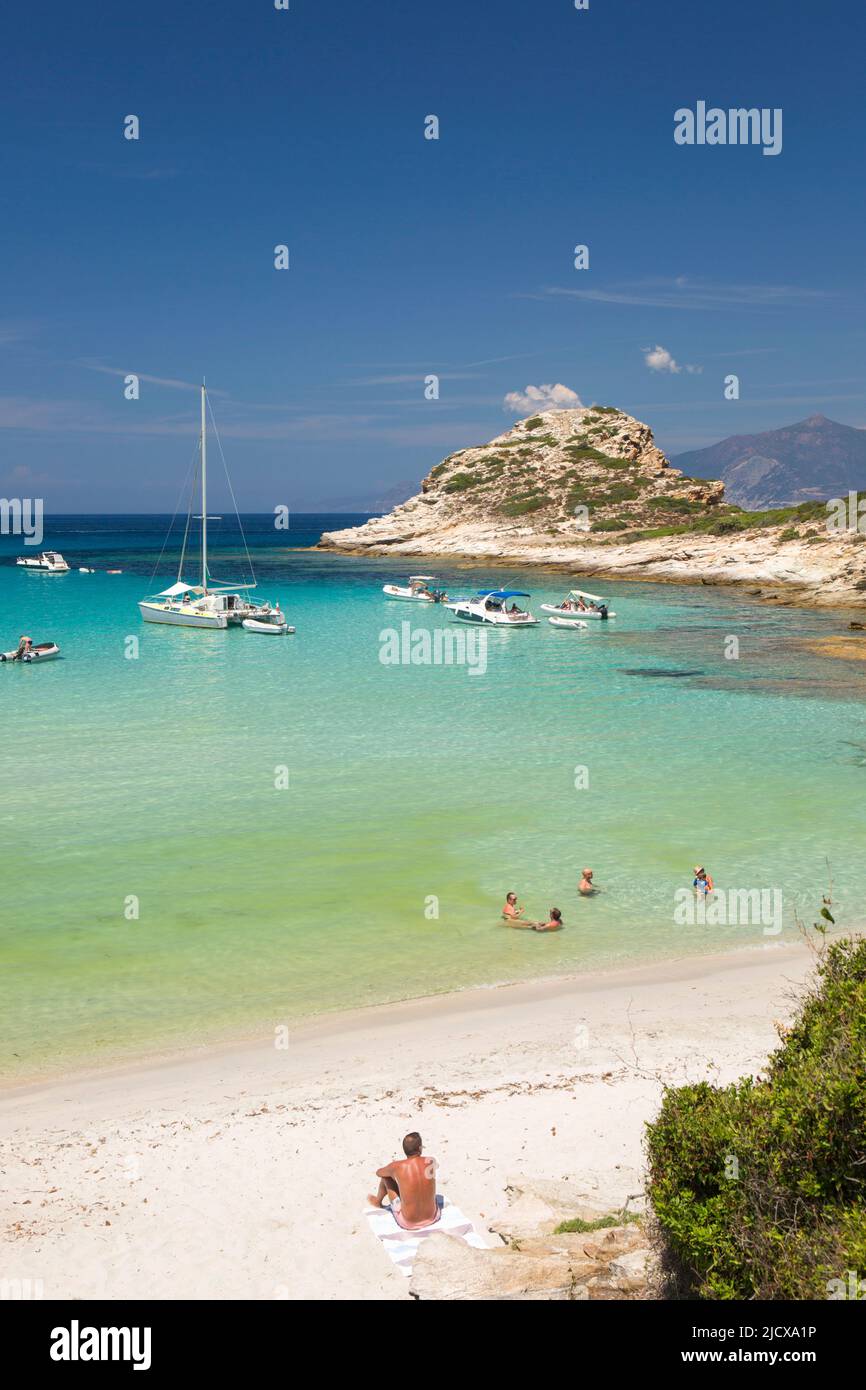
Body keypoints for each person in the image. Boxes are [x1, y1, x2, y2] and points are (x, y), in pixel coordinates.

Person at [368, 1132, 442, 1230]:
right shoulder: (431, 1161)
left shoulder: (397, 1166)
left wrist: (394, 1173)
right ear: (420, 1148)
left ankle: (378, 1201)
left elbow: (379, 1173)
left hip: (409, 1223)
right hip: (433, 1217)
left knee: (386, 1177)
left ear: (404, 1150)